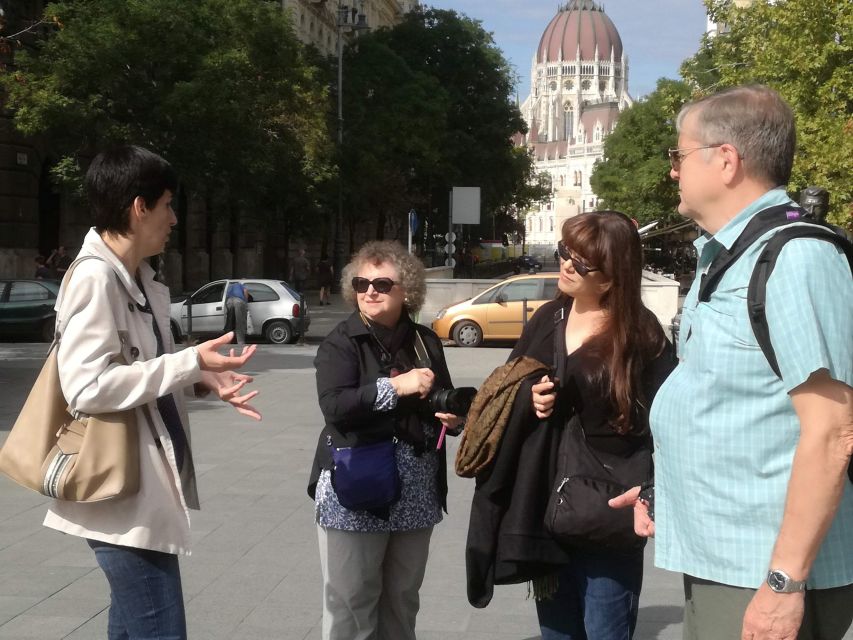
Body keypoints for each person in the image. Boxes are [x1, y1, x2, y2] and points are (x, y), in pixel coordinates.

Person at [611, 85, 853, 640]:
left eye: (679, 155)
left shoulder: (795, 258)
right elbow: (735, 405)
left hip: (765, 569)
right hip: (726, 559)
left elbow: (833, 432)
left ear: (725, 160)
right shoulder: (731, 255)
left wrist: (783, 584)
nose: (673, 171)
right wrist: (660, 487)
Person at [44, 145, 262, 640]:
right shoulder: (97, 278)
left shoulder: (138, 279)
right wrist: (189, 362)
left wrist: (201, 377)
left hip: (136, 492)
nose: (174, 217)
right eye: (166, 204)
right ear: (139, 207)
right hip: (117, 497)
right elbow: (86, 387)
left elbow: (142, 369)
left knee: (130, 629)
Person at [508, 211, 674, 639]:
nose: (566, 264)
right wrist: (528, 397)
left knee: (606, 631)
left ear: (613, 274)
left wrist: (655, 489)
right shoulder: (548, 319)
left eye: (582, 262)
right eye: (566, 252)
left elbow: (672, 420)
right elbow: (506, 386)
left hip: (609, 512)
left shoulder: (642, 334)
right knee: (557, 633)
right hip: (549, 503)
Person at [309, 240, 463, 640]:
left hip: (415, 490)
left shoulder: (424, 341)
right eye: (361, 283)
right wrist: (394, 387)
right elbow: (335, 407)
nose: (370, 291)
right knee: (352, 605)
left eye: (381, 283)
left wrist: (453, 417)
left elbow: (436, 397)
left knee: (402, 601)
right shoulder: (342, 342)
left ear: (407, 290)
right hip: (357, 486)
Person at [224, 280, 250, 345]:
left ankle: (228, 341)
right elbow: (245, 291)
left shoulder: (229, 286)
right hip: (238, 301)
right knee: (239, 321)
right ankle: (240, 342)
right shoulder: (241, 285)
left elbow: (226, 296)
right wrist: (246, 303)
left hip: (229, 301)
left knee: (229, 322)